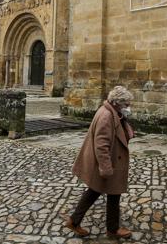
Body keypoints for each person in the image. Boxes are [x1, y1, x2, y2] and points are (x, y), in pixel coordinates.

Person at [63, 86, 135, 239]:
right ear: (117, 103)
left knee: (98, 192)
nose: (129, 107)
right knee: (107, 193)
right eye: (126, 104)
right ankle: (111, 229)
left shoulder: (112, 112)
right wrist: (106, 167)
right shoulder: (106, 116)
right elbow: (101, 144)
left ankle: (76, 221)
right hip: (105, 163)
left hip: (109, 162)